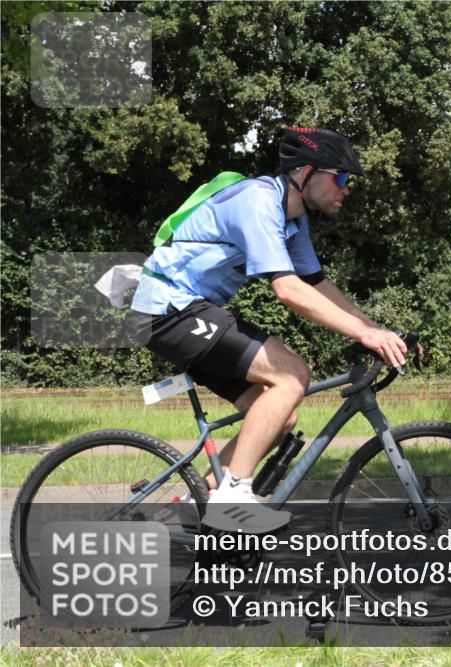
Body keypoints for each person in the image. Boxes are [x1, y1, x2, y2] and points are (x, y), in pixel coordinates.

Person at [128, 127, 408, 533]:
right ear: (307, 173)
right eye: (341, 177)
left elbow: (316, 284)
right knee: (292, 374)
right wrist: (364, 335)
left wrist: (377, 329)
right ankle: (233, 498)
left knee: (280, 419)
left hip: (188, 312)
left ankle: (191, 508)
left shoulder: (293, 221)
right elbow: (289, 290)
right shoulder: (258, 201)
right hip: (168, 309)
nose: (346, 189)